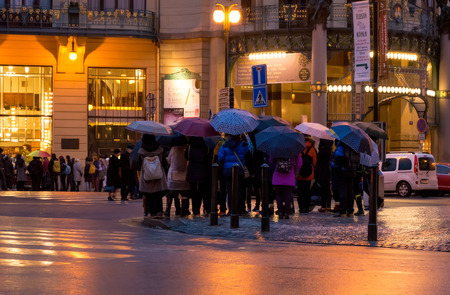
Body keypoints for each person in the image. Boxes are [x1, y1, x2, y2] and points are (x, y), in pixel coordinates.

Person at [217, 134, 250, 215]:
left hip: (227, 170)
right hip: (239, 170)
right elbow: (248, 156)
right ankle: (240, 209)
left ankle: (231, 209)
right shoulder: (243, 145)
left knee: (229, 190)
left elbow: (220, 158)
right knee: (239, 189)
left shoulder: (224, 145)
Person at [137, 134, 168, 218]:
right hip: (158, 174)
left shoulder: (141, 151)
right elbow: (164, 163)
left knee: (149, 194)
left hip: (147, 175)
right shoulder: (160, 150)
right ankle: (159, 211)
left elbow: (139, 164)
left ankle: (152, 212)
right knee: (158, 194)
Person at [332, 141, 360, 217]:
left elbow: (337, 160)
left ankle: (343, 211)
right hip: (352, 172)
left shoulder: (340, 148)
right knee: (350, 191)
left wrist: (332, 164)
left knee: (343, 191)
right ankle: (350, 211)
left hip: (342, 172)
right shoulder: (354, 147)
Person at [185, 136, 212, 216]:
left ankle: (196, 210)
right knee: (203, 191)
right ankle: (206, 208)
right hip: (203, 171)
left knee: (194, 192)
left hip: (192, 171)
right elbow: (208, 158)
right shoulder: (206, 147)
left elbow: (186, 157)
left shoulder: (189, 147)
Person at [271, 154, 302, 219]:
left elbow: (271, 160)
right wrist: (295, 171)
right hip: (289, 176)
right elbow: (299, 162)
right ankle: (287, 212)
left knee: (279, 195)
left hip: (278, 176)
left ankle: (280, 212)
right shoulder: (294, 149)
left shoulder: (277, 149)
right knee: (288, 195)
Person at [165, 144, 190, 217]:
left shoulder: (173, 149)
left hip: (173, 175)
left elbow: (169, 161)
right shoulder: (186, 150)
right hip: (184, 175)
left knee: (172, 193)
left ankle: (169, 210)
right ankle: (184, 210)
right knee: (184, 194)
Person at [296, 137, 317, 213]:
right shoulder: (312, 150)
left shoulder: (298, 148)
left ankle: (301, 208)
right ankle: (306, 207)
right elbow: (314, 162)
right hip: (309, 174)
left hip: (299, 174)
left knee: (300, 191)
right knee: (307, 191)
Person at [315, 139, 334, 212]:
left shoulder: (321, 152)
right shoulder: (330, 152)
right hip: (328, 172)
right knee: (328, 189)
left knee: (323, 189)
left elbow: (318, 163)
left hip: (321, 172)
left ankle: (323, 206)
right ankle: (328, 206)